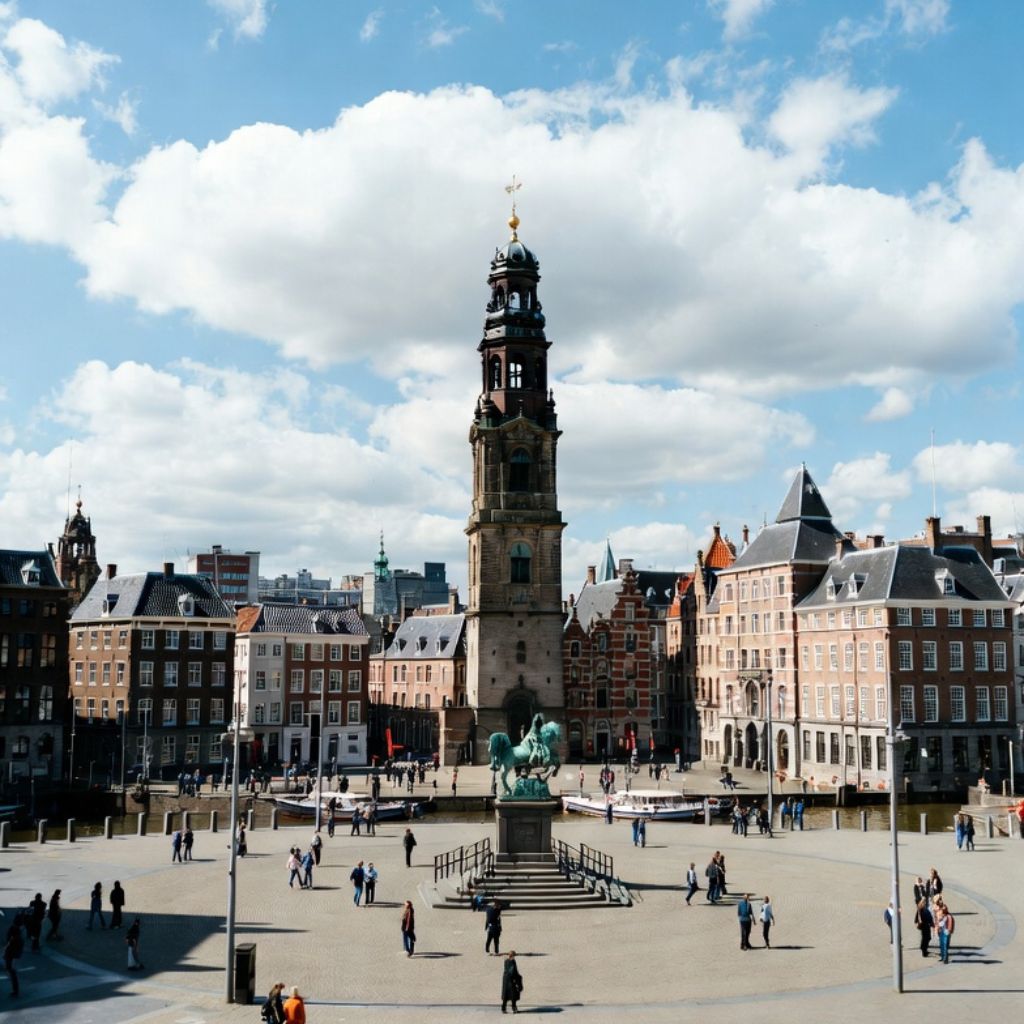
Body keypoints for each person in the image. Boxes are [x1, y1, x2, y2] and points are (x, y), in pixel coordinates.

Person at [4, 914, 24, 997]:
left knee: (11, 971)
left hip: (10, 954)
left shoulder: (13, 930)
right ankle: (15, 990)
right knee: (12, 971)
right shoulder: (18, 934)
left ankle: (15, 990)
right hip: (13, 954)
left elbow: (8, 940)